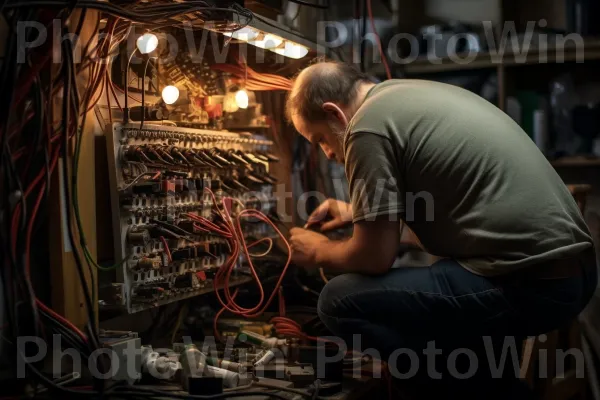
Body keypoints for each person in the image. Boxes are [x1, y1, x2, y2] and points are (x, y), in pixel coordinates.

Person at [285, 61, 598, 399]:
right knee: (437, 302)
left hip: (531, 284)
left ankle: (474, 391)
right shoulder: (402, 95)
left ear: (334, 113)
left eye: (319, 139)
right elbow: (455, 225)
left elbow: (373, 258)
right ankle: (483, 385)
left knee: (338, 298)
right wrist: (359, 213)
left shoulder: (364, 128)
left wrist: (316, 250)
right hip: (572, 274)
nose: (329, 153)